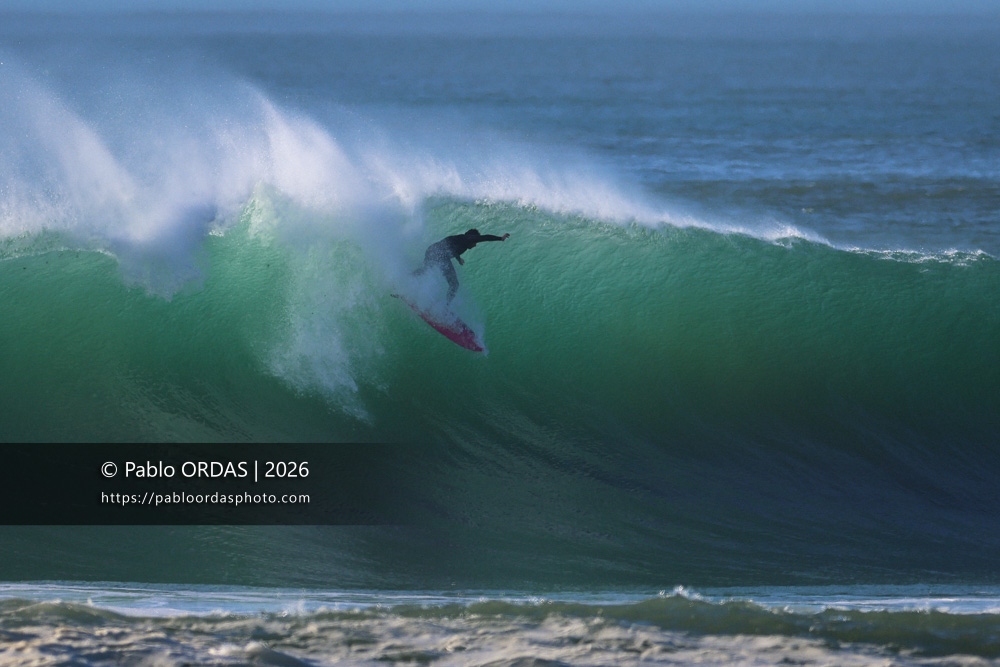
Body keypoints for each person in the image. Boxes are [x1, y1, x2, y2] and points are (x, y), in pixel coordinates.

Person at [414, 228, 511, 303]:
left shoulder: (460, 240)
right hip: (440, 255)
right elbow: (484, 237)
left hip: (432, 250)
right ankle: (445, 306)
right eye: (475, 242)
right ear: (472, 238)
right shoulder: (467, 238)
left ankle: (407, 282)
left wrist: (459, 259)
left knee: (425, 270)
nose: (475, 245)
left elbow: (452, 248)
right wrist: (500, 238)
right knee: (454, 285)